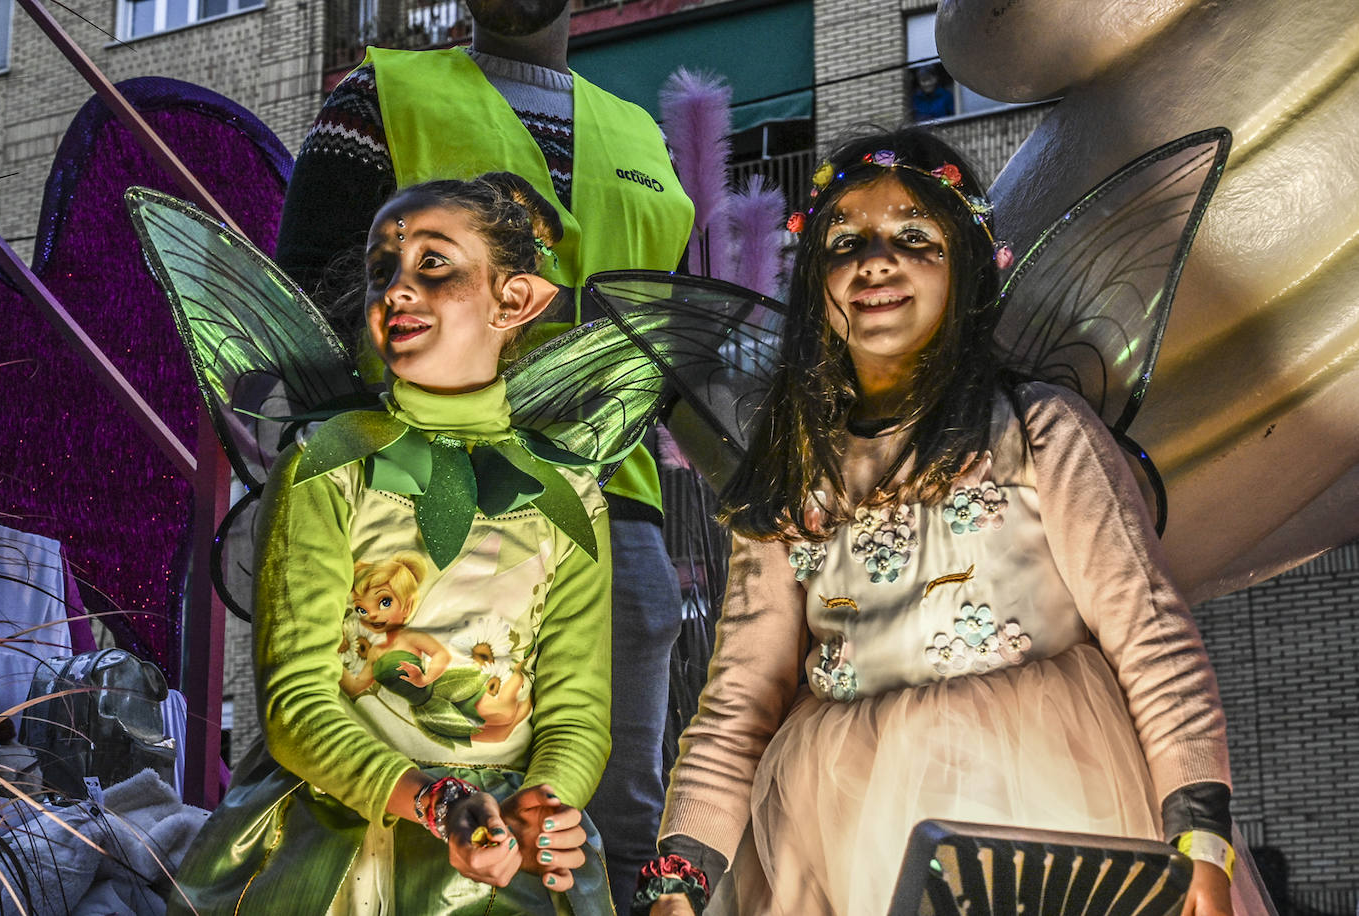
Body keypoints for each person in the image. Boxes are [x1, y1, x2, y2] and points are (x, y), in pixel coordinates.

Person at [635, 128, 1247, 916]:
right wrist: (681, 874)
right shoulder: (788, 478)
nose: (874, 261)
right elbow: (738, 701)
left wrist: (1200, 835)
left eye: (913, 237)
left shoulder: (1039, 430)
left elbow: (1150, 630)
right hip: (844, 840)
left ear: (967, 267)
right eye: (844, 241)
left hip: (1049, 820)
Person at [275, 4, 695, 909]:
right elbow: (309, 308)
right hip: (421, 502)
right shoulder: (375, 97)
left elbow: (679, 356)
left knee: (615, 826)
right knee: (402, 820)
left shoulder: (646, 140)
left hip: (614, 509)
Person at [170, 174, 615, 914]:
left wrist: (549, 805)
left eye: (434, 265)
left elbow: (577, 708)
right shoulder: (327, 464)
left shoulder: (571, 497)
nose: (396, 291)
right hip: (337, 831)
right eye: (383, 271)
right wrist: (434, 802)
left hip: (504, 855)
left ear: (517, 300)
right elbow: (295, 700)